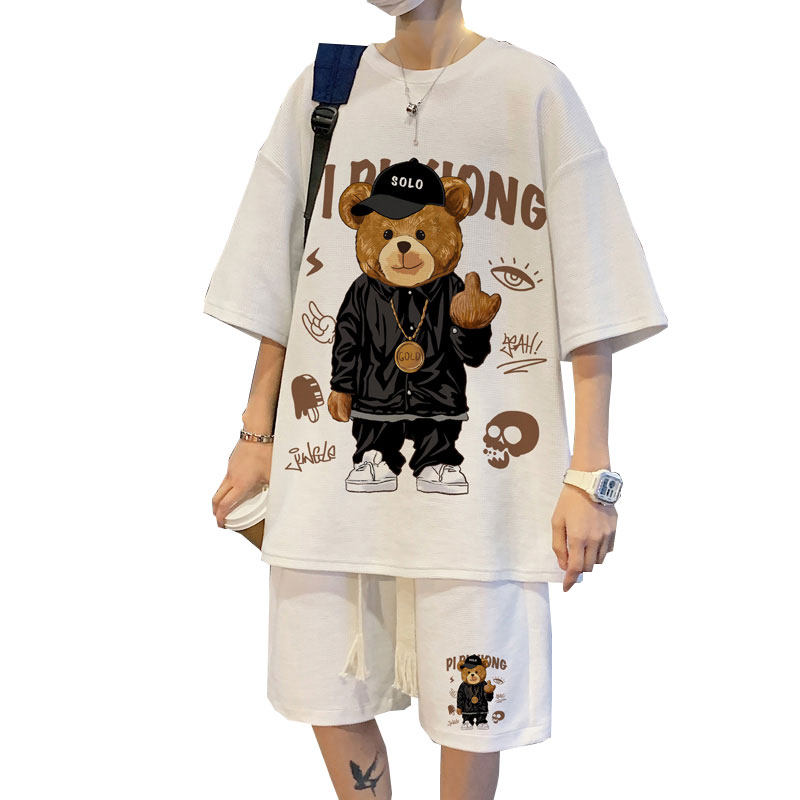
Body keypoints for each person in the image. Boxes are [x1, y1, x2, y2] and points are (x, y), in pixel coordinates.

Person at [204, 1, 668, 797]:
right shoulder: (325, 90)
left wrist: (590, 473)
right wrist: (256, 435)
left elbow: (595, 287)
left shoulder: (532, 91)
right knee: (324, 681)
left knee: (472, 704)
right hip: (329, 478)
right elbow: (280, 280)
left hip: (483, 497)